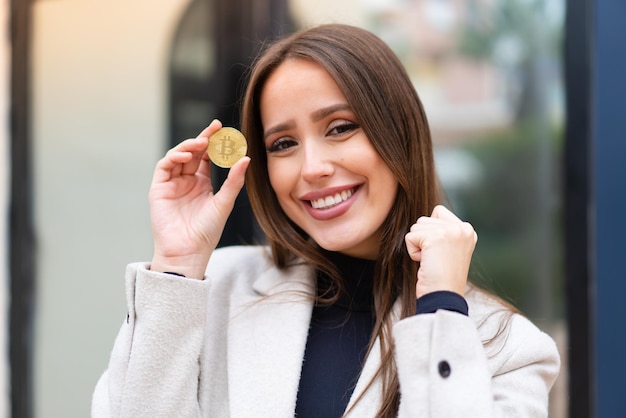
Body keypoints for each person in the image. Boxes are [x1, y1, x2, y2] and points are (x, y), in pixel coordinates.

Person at [92, 24, 560, 417]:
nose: (312, 167)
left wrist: (439, 308)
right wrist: (177, 262)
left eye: (340, 128)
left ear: (398, 130)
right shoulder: (212, 291)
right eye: (283, 144)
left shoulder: (506, 349)